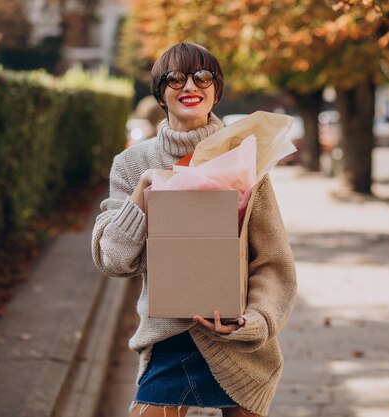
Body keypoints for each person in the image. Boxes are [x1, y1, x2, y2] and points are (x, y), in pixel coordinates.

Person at [91, 42, 297, 417]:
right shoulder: (132, 163)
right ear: (160, 93)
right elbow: (114, 260)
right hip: (169, 339)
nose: (190, 86)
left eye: (203, 77)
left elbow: (273, 262)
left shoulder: (247, 159)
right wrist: (142, 194)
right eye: (175, 78)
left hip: (236, 343)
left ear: (216, 90)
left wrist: (254, 321)